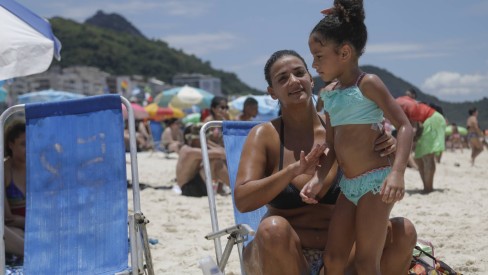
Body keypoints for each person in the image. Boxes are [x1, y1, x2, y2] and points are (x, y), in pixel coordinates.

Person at [234, 50, 416, 275]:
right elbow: (242, 200)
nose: (294, 81)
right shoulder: (265, 135)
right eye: (283, 78)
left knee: (403, 231)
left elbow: (377, 174)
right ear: (272, 92)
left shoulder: (343, 131)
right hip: (284, 255)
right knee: (273, 230)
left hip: (339, 256)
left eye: (300, 73)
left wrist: (388, 145)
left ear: (311, 79)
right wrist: (292, 171)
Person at [301, 2, 414, 273]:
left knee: (366, 260)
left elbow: (405, 126)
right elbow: (331, 143)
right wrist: (318, 179)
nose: (314, 65)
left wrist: (397, 172)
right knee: (334, 258)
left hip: (376, 183)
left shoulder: (368, 83)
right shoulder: (329, 93)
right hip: (349, 185)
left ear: (344, 52)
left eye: (318, 56)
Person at [396, 94, 446, 193]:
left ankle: (428, 188)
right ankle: (426, 187)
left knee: (428, 156)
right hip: (429, 120)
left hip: (432, 119)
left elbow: (410, 127)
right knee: (418, 158)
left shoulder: (397, 104)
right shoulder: (400, 102)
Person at [176, 123, 229, 197]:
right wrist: (207, 142)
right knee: (216, 162)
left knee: (214, 161)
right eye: (206, 138)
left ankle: (223, 189)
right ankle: (234, 187)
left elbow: (222, 152)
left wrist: (207, 143)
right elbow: (223, 153)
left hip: (192, 185)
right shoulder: (190, 151)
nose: (207, 140)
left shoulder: (188, 148)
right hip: (189, 188)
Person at [3, 120, 27, 258]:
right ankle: (33, 253)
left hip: (38, 226)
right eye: (23, 144)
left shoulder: (39, 167)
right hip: (15, 230)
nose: (29, 147)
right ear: (10, 144)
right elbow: (7, 218)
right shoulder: (4, 171)